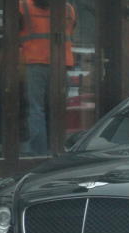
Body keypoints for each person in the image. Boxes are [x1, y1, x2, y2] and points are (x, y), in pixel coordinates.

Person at [19, 0, 76, 155]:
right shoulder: (68, 8)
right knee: (57, 109)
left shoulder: (23, 6)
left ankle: (39, 153)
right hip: (61, 64)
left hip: (36, 62)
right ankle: (57, 149)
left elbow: (12, 31)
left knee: (36, 109)